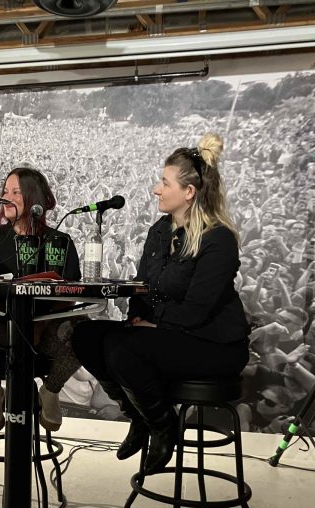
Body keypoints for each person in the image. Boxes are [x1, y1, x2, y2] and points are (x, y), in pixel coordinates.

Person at [72, 133, 250, 475]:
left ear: (189, 192)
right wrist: (137, 317)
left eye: (165, 182)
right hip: (167, 333)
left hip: (213, 345)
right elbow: (143, 288)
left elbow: (196, 310)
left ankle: (162, 424)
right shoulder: (159, 231)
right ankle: (138, 415)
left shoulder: (218, 239)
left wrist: (154, 324)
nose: (157, 189)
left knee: (123, 347)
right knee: (86, 337)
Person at [0, 166, 81, 433]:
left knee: (83, 328)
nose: (7, 197)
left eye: (16, 192)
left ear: (33, 197)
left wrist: (40, 322)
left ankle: (51, 390)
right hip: (0, 332)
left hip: (44, 335)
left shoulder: (59, 241)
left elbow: (70, 295)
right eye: (5, 191)